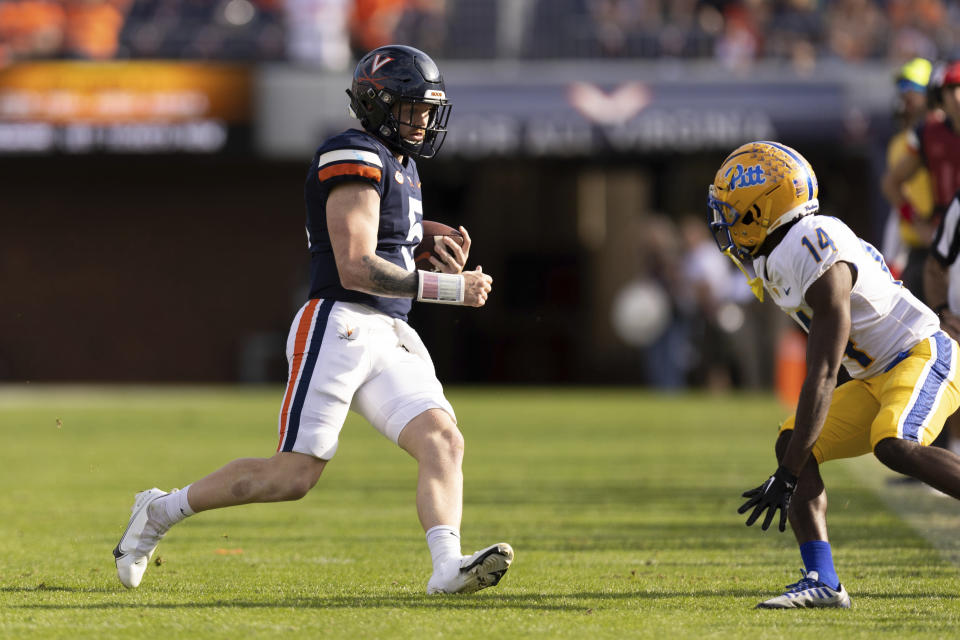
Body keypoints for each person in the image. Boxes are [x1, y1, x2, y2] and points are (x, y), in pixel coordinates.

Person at [113, 44, 513, 595]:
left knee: (443, 439)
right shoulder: (352, 151)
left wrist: (431, 240)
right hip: (340, 324)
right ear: (375, 106)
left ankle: (447, 567)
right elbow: (354, 265)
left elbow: (391, 235)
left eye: (427, 110)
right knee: (292, 476)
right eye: (411, 108)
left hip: (391, 331)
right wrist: (450, 287)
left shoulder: (400, 164)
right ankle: (159, 511)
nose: (422, 122)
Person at [707, 140, 960, 609]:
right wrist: (791, 465)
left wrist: (786, 478)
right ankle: (822, 581)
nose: (722, 220)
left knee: (894, 443)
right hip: (873, 374)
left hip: (920, 352)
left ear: (760, 209)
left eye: (730, 209)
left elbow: (824, 370)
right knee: (793, 442)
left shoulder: (812, 244)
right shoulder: (781, 249)